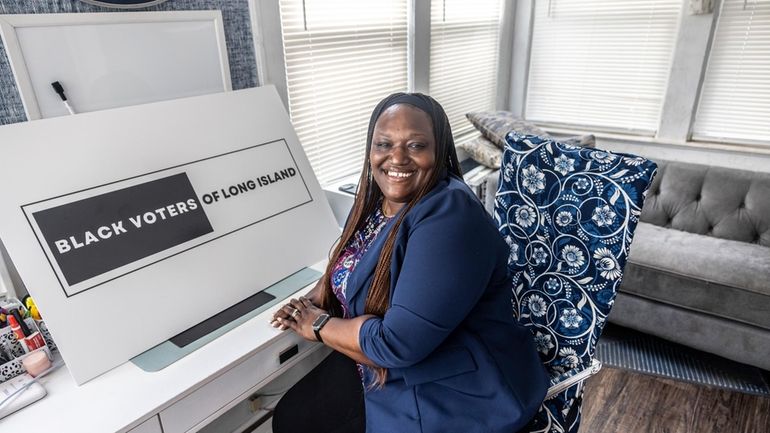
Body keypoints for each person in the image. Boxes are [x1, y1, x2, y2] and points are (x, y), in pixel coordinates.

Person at [270, 93, 548, 433]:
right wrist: (315, 298)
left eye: (416, 145)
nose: (396, 158)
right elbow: (351, 262)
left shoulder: (450, 216)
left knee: (299, 421)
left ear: (440, 150)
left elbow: (395, 344)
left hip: (450, 387)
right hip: (381, 364)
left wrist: (318, 324)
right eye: (384, 144)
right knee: (293, 415)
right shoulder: (380, 202)